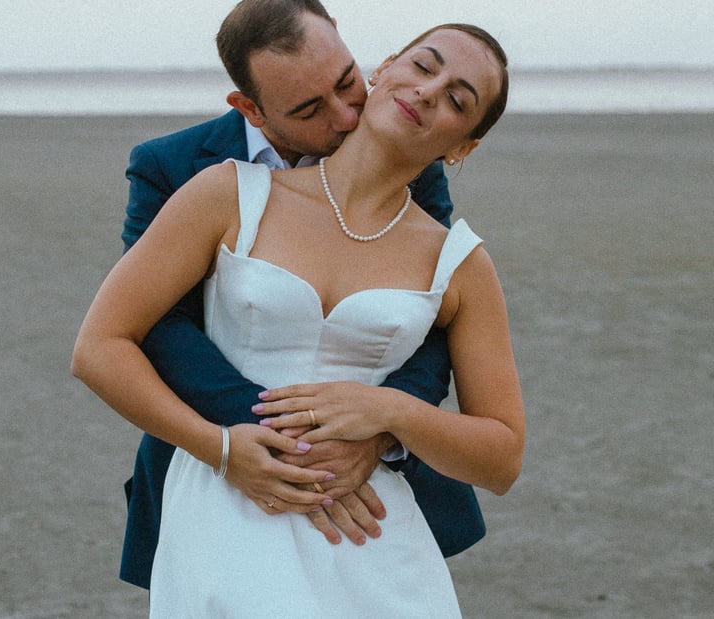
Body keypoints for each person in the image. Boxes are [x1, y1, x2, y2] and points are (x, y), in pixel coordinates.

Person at [72, 16, 524, 616]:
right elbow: (107, 342)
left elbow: (501, 454)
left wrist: (387, 414)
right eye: (423, 65)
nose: (426, 91)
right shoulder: (223, 191)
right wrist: (229, 448)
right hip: (225, 502)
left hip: (369, 524)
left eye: (457, 100)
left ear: (462, 145)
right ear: (386, 66)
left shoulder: (459, 260)